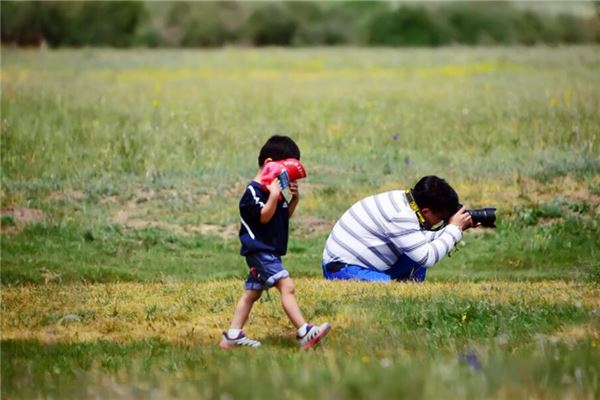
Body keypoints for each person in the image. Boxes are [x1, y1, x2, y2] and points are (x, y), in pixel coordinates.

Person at [220, 135, 331, 349]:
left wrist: (293, 199)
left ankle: (232, 335)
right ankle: (304, 331)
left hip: (268, 251)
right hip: (259, 251)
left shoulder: (276, 194)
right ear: (269, 164)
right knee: (287, 286)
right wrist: (273, 195)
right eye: (285, 172)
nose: (287, 178)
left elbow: (281, 217)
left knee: (251, 293)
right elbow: (264, 216)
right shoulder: (252, 193)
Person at [322, 175, 474, 282]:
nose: (442, 220)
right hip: (342, 269)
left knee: (413, 262)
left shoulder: (406, 201)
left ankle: (414, 294)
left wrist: (453, 228)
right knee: (390, 291)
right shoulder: (401, 215)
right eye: (441, 216)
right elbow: (426, 257)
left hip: (364, 265)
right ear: (426, 211)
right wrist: (454, 229)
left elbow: (418, 242)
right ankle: (409, 292)